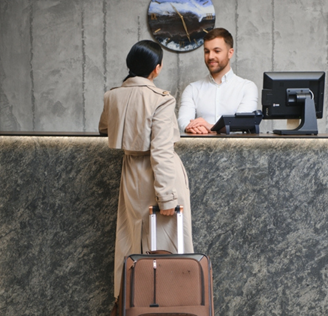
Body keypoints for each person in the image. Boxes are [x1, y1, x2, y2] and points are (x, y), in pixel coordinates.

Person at [98, 40, 193, 298]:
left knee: (131, 244)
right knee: (167, 250)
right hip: (158, 177)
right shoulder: (160, 99)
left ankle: (130, 302)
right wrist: (167, 197)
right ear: (157, 68)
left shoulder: (112, 95)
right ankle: (170, 304)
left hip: (130, 175)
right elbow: (161, 150)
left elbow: (105, 128)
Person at [177, 28, 258, 134]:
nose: (210, 56)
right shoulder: (192, 89)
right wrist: (190, 127)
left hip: (236, 150)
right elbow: (184, 121)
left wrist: (209, 126)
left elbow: (240, 123)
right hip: (199, 149)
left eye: (217, 51)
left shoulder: (247, 87)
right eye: (206, 51)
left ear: (230, 53)